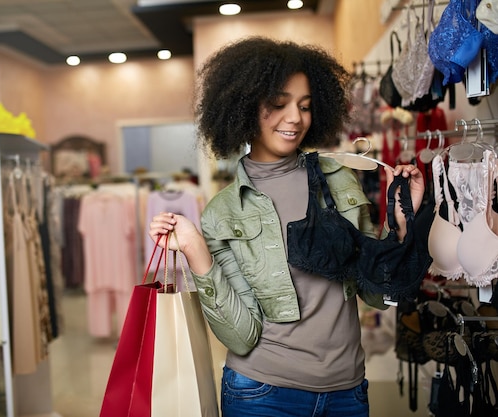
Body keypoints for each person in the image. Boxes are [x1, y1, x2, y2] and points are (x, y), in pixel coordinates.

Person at [148, 36, 424, 417]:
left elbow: (377, 294)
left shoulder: (340, 178)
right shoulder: (223, 212)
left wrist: (402, 222)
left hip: (347, 391)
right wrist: (197, 251)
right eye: (279, 104)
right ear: (243, 109)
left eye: (306, 106)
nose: (295, 117)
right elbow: (241, 337)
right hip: (262, 394)